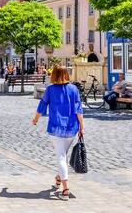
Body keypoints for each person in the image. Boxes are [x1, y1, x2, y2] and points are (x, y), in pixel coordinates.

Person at [31, 66, 85, 199]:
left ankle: (66, 189)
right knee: (63, 155)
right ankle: (59, 177)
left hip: (56, 128)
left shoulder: (50, 89)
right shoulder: (74, 89)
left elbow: (42, 105)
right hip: (72, 128)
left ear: (53, 75)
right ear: (67, 74)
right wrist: (82, 127)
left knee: (61, 156)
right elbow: (79, 110)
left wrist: (35, 119)